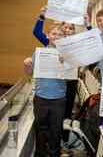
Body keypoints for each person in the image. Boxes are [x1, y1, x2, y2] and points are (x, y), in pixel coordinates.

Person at [24, 23, 68, 157]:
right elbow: (29, 72)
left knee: (56, 130)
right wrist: (27, 64)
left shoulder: (67, 55)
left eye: (60, 34)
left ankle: (55, 153)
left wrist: (65, 63)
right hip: (41, 98)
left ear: (64, 37)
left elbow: (72, 76)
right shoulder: (39, 53)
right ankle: (40, 153)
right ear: (48, 35)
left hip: (58, 99)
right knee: (41, 129)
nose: (56, 36)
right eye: (54, 34)